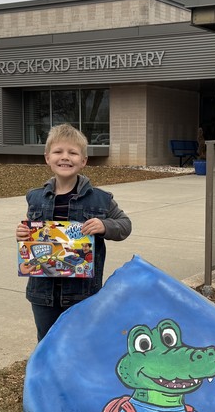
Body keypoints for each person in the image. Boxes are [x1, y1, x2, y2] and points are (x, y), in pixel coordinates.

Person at [16, 123, 131, 341]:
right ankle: (51, 377)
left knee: (80, 345)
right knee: (47, 343)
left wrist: (105, 226)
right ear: (47, 158)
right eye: (58, 152)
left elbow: (125, 225)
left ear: (83, 161)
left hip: (82, 294)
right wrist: (22, 234)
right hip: (43, 294)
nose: (65, 157)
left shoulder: (101, 199)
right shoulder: (35, 197)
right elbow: (31, 236)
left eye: (73, 152)